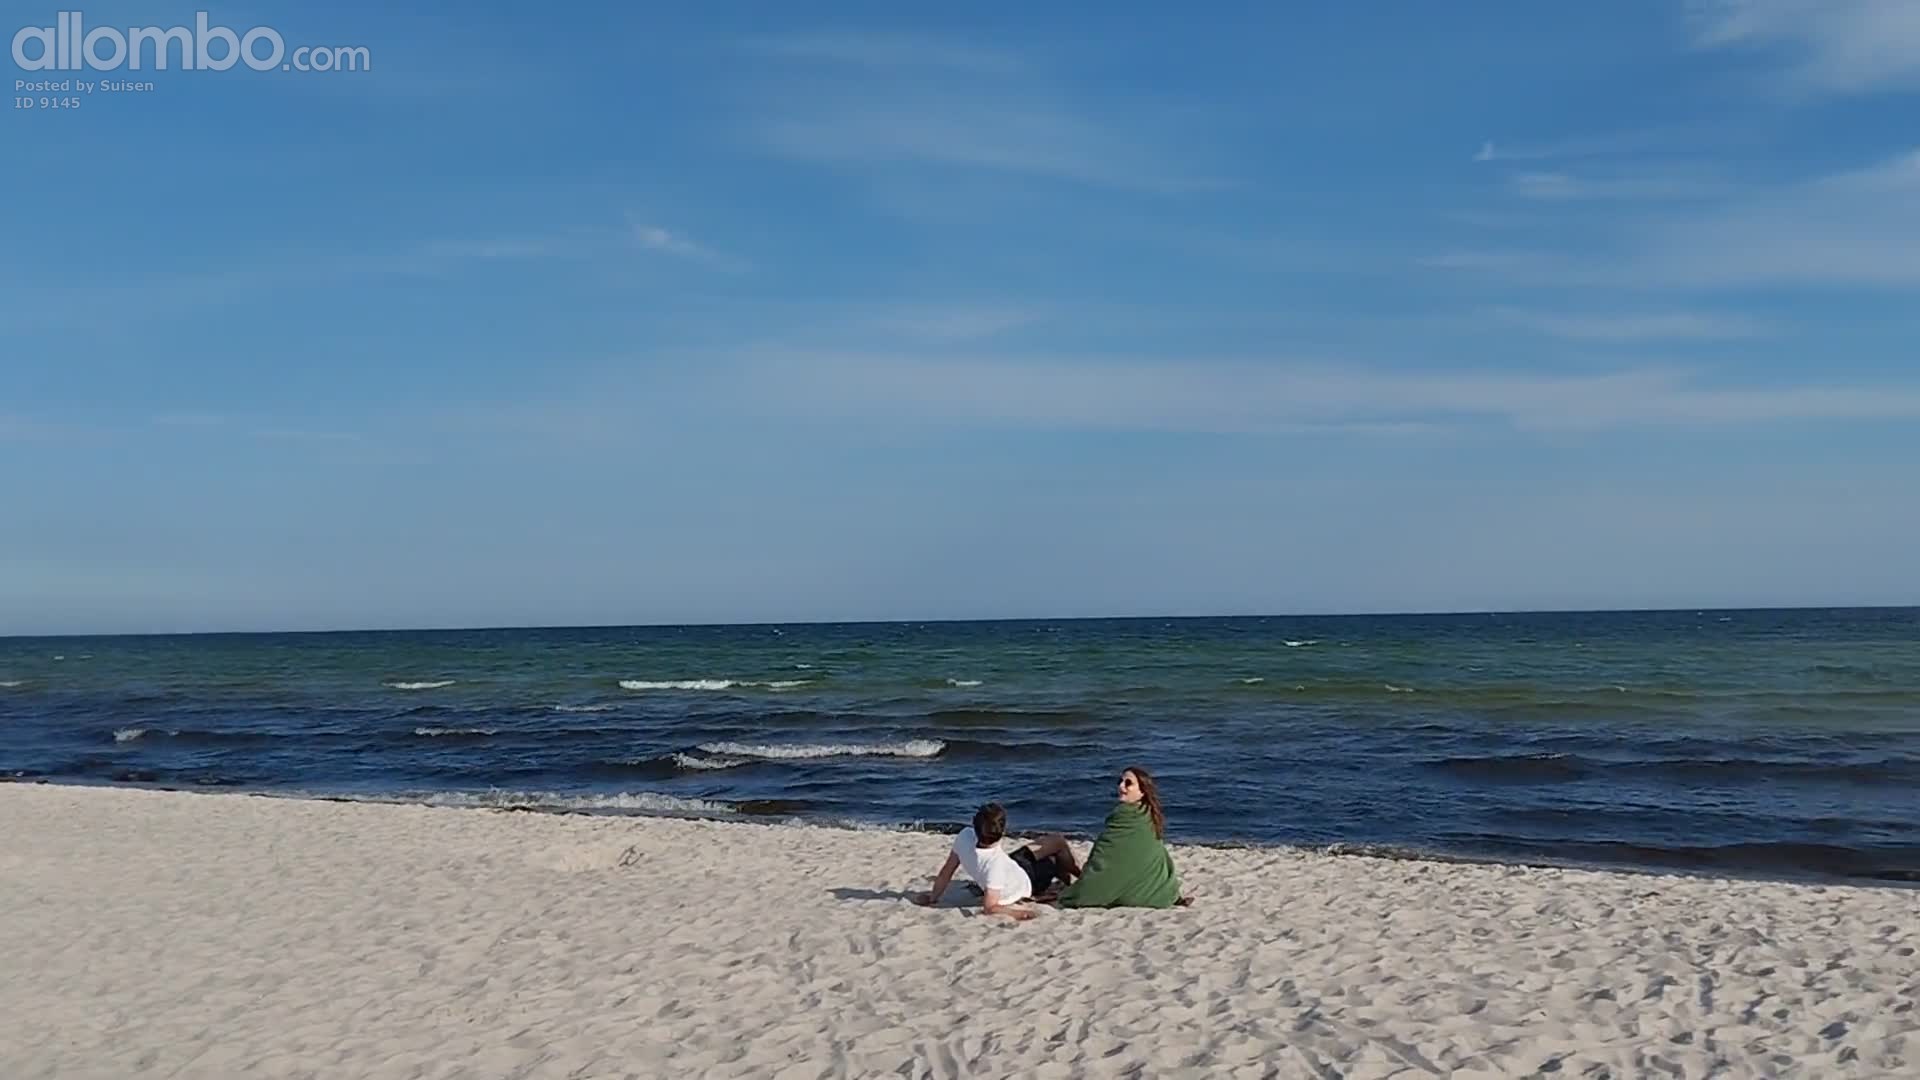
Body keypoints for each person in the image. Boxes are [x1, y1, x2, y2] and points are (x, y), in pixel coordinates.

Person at [914, 802, 1080, 920]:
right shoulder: (995, 865)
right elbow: (990, 907)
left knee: (1056, 840)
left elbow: (947, 872)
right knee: (1056, 855)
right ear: (1003, 831)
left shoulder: (965, 836)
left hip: (1013, 864)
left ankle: (1075, 875)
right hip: (1028, 881)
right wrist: (1019, 914)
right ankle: (1079, 877)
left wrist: (933, 897)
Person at [1055, 766, 1185, 910]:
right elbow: (1111, 852)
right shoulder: (1145, 814)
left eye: (1128, 783)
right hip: (1158, 894)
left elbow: (1104, 857)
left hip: (1132, 889)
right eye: (1120, 781)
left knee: (1084, 892)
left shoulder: (1146, 818)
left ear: (1142, 791)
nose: (1121, 786)